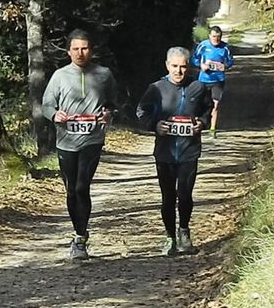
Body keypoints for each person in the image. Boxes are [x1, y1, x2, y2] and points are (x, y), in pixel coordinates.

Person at [42, 29, 117, 261]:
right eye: (75, 49)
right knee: (71, 189)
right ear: (68, 51)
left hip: (92, 140)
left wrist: (108, 114)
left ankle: (80, 238)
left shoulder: (104, 74)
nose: (80, 53)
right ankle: (78, 233)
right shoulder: (59, 76)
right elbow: (46, 106)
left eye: (84, 48)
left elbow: (113, 102)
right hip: (66, 142)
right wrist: (56, 116)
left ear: (91, 50)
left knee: (82, 186)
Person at [136, 47, 213, 256]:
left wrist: (202, 123)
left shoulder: (199, 87)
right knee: (168, 197)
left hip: (189, 151)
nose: (179, 71)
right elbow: (141, 111)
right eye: (175, 66)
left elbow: (207, 110)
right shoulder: (156, 88)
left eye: (183, 67)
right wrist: (155, 125)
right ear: (167, 65)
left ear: (189, 67)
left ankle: (184, 232)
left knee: (185, 194)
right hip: (165, 152)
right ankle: (170, 237)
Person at [191, 25, 234, 134]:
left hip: (218, 80)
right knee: (200, 102)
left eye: (218, 37)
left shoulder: (225, 47)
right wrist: (201, 66)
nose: (216, 39)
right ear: (209, 36)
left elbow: (230, 61)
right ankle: (198, 124)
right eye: (214, 36)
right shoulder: (203, 45)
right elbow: (194, 58)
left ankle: (212, 129)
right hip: (204, 79)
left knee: (215, 104)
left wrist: (224, 66)